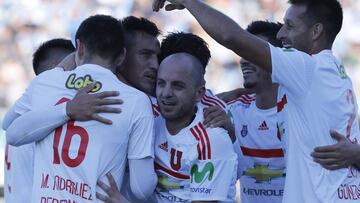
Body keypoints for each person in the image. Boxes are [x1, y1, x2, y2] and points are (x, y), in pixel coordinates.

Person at [153, 0, 360, 202]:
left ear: (316, 32)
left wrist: (190, 3)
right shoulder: (337, 74)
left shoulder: (308, 68)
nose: (281, 34)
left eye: (290, 26)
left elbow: (231, 37)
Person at [5, 15, 157, 202]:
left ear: (80, 47)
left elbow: (11, 131)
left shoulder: (47, 81)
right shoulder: (136, 101)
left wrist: (66, 110)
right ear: (122, 56)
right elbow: (142, 188)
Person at [2, 38, 75, 203]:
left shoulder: (26, 110)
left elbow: (5, 124)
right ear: (56, 68)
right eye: (75, 63)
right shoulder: (47, 117)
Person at [229, 21, 285, 203]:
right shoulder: (233, 109)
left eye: (251, 54)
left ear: (276, 59)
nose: (243, 60)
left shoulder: (303, 111)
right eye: (243, 53)